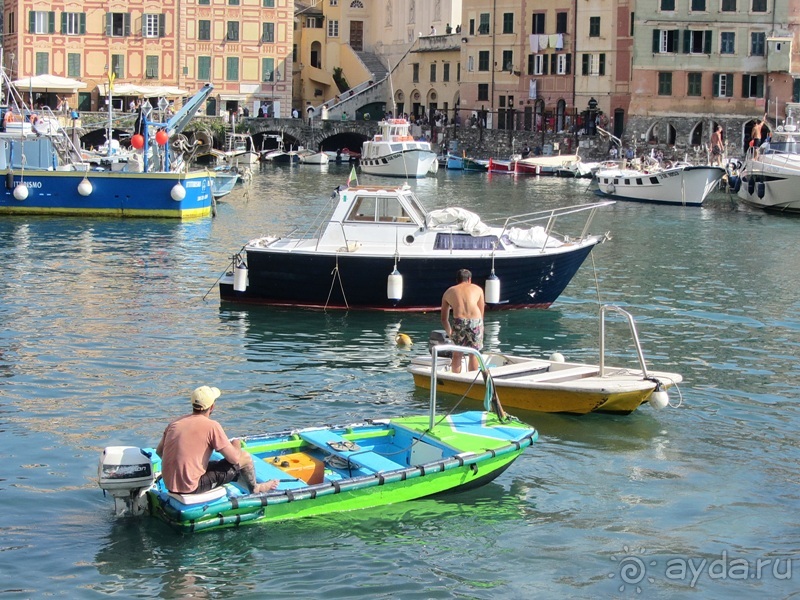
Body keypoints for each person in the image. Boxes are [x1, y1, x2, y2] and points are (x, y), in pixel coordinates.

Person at [156, 386, 278, 495]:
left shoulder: (175, 423)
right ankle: (255, 488)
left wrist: (181, 468)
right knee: (244, 457)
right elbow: (234, 459)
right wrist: (236, 444)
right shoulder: (211, 426)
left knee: (214, 462)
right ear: (212, 406)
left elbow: (159, 452)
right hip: (192, 487)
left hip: (170, 484)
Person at [441, 269, 485, 373]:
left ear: (457, 280)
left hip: (459, 322)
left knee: (457, 354)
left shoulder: (449, 292)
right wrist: (481, 328)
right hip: (475, 321)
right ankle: (472, 380)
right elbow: (481, 313)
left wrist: (450, 333)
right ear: (469, 279)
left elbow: (443, 319)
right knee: (474, 354)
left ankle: (456, 379)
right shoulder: (478, 289)